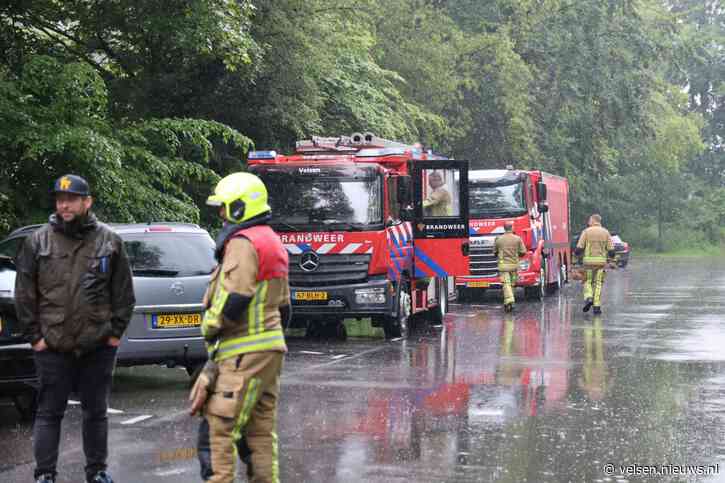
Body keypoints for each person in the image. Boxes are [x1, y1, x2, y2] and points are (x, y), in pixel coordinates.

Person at [14, 175, 136, 483]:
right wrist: (35, 338)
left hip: (97, 346)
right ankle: (44, 475)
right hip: (52, 347)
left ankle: (97, 472)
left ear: (87, 202)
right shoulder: (37, 242)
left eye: (71, 199)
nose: (64, 205)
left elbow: (124, 294)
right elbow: (24, 294)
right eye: (59, 199)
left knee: (95, 413)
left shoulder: (110, 241)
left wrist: (114, 334)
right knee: (48, 414)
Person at [190, 172, 291, 483]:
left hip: (242, 350)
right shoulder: (271, 241)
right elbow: (285, 308)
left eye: (224, 207)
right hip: (270, 351)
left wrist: (209, 326)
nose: (221, 215)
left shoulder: (243, 243)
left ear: (239, 207)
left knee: (219, 429)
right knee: (260, 434)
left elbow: (235, 297)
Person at [575, 214, 614, 314]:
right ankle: (597, 307)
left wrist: (577, 254)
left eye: (589, 220)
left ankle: (588, 298)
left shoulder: (586, 232)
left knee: (587, 281)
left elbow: (579, 247)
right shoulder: (606, 232)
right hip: (600, 263)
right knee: (598, 283)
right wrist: (611, 258)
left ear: (593, 221)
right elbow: (611, 250)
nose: (588, 222)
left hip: (588, 263)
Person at [494, 221, 526, 312]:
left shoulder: (498, 239)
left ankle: (509, 300)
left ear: (504, 228)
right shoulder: (517, 239)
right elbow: (523, 252)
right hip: (514, 266)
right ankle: (508, 302)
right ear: (512, 228)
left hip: (503, 266)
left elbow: (494, 252)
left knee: (506, 284)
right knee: (512, 284)